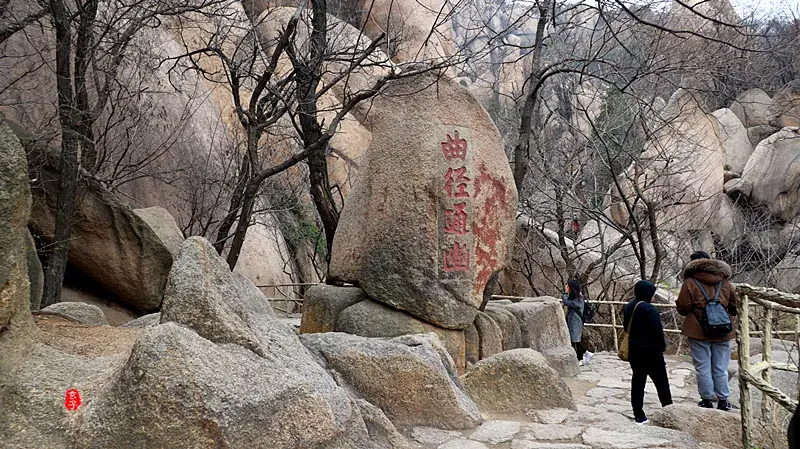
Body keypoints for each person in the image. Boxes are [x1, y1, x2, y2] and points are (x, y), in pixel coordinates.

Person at [676, 251, 737, 411]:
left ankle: (706, 400)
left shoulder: (690, 282)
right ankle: (723, 400)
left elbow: (683, 307)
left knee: (702, 367)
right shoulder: (725, 282)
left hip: (697, 329)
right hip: (723, 330)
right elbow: (734, 306)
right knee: (720, 368)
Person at [623, 280, 673, 424]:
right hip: (651, 352)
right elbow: (657, 331)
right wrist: (661, 347)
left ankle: (639, 415)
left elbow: (626, 326)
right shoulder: (650, 309)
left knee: (638, 382)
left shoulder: (629, 306)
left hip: (634, 350)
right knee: (662, 383)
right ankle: (669, 410)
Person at [562, 279, 593, 365]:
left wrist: (565, 294)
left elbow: (567, 302)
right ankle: (586, 353)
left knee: (575, 340)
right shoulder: (576, 297)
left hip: (576, 321)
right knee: (574, 339)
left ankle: (580, 359)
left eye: (567, 286)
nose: (565, 287)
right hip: (573, 320)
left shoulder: (578, 298)